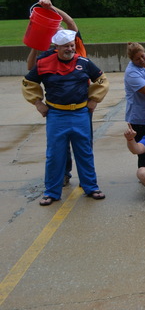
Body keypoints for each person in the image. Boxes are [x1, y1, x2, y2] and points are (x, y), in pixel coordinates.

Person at [22, 29, 110, 206]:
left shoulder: (84, 63)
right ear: (57, 47)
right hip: (57, 115)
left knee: (84, 152)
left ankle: (91, 186)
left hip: (80, 114)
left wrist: (94, 100)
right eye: (66, 47)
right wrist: (38, 103)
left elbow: (102, 80)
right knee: (55, 155)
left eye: (72, 45)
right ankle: (51, 192)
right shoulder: (43, 63)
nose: (70, 49)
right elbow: (28, 83)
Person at [26, 0, 86, 187]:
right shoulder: (48, 55)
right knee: (61, 145)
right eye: (56, 32)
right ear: (54, 43)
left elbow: (71, 23)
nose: (60, 29)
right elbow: (30, 69)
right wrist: (37, 42)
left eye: (61, 29)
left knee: (83, 145)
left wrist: (52, 9)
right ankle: (65, 174)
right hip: (57, 107)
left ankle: (87, 180)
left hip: (81, 104)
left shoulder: (75, 44)